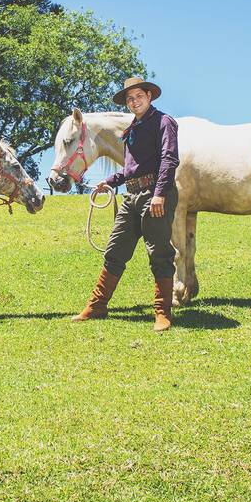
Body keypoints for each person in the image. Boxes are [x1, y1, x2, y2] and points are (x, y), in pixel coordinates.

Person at [72, 76, 180, 331]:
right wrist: (109, 181)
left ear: (149, 97)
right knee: (115, 249)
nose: (134, 102)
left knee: (159, 252)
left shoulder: (164, 122)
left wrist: (160, 194)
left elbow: (169, 159)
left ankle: (162, 312)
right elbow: (131, 169)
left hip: (155, 194)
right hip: (131, 196)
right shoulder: (132, 128)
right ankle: (97, 306)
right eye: (130, 99)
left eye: (138, 97)